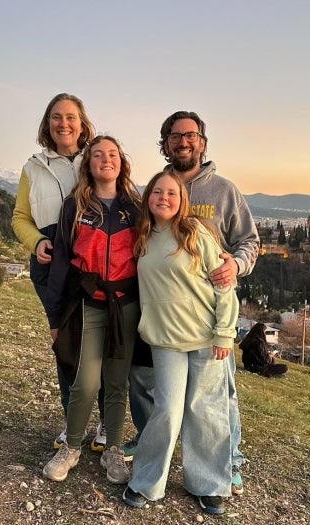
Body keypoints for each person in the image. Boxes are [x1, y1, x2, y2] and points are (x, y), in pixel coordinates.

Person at [126, 111, 260, 497]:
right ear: (165, 143)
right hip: (165, 326)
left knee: (213, 405)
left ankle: (223, 469)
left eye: (190, 135)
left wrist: (235, 264)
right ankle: (154, 469)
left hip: (210, 319)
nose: (182, 141)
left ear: (202, 141)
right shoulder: (147, 215)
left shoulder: (223, 192)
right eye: (174, 135)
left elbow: (249, 243)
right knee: (164, 402)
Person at [122, 171, 238, 515]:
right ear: (148, 198)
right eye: (157, 192)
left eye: (171, 193)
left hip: (206, 338)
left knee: (206, 411)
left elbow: (223, 286)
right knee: (167, 411)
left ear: (182, 199)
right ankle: (145, 481)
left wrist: (225, 333)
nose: (164, 197)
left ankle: (209, 484)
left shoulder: (196, 233)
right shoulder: (141, 236)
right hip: (165, 341)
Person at [41, 136, 142, 485]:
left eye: (112, 154)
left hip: (126, 305)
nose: (105, 160)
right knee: (85, 383)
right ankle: (71, 446)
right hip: (87, 304)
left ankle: (113, 448)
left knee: (116, 382)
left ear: (121, 162)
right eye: (97, 155)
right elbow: (61, 263)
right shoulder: (75, 206)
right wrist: (55, 317)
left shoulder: (135, 207)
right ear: (89, 164)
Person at [11, 93, 106, 453]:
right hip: (52, 265)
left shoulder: (97, 157)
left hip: (94, 263)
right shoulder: (33, 167)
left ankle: (102, 424)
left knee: (100, 345)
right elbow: (20, 217)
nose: (63, 123)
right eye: (56, 117)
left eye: (70, 117)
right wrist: (36, 242)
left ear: (83, 123)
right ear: (47, 123)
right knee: (65, 346)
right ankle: (72, 423)